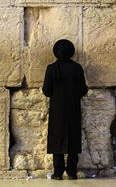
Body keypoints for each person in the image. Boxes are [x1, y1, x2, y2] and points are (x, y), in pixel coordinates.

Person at [42, 39, 88, 180]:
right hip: (73, 109)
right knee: (73, 139)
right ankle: (72, 172)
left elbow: (46, 91)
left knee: (57, 140)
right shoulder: (77, 68)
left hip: (57, 111)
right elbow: (83, 90)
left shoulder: (51, 68)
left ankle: (58, 173)